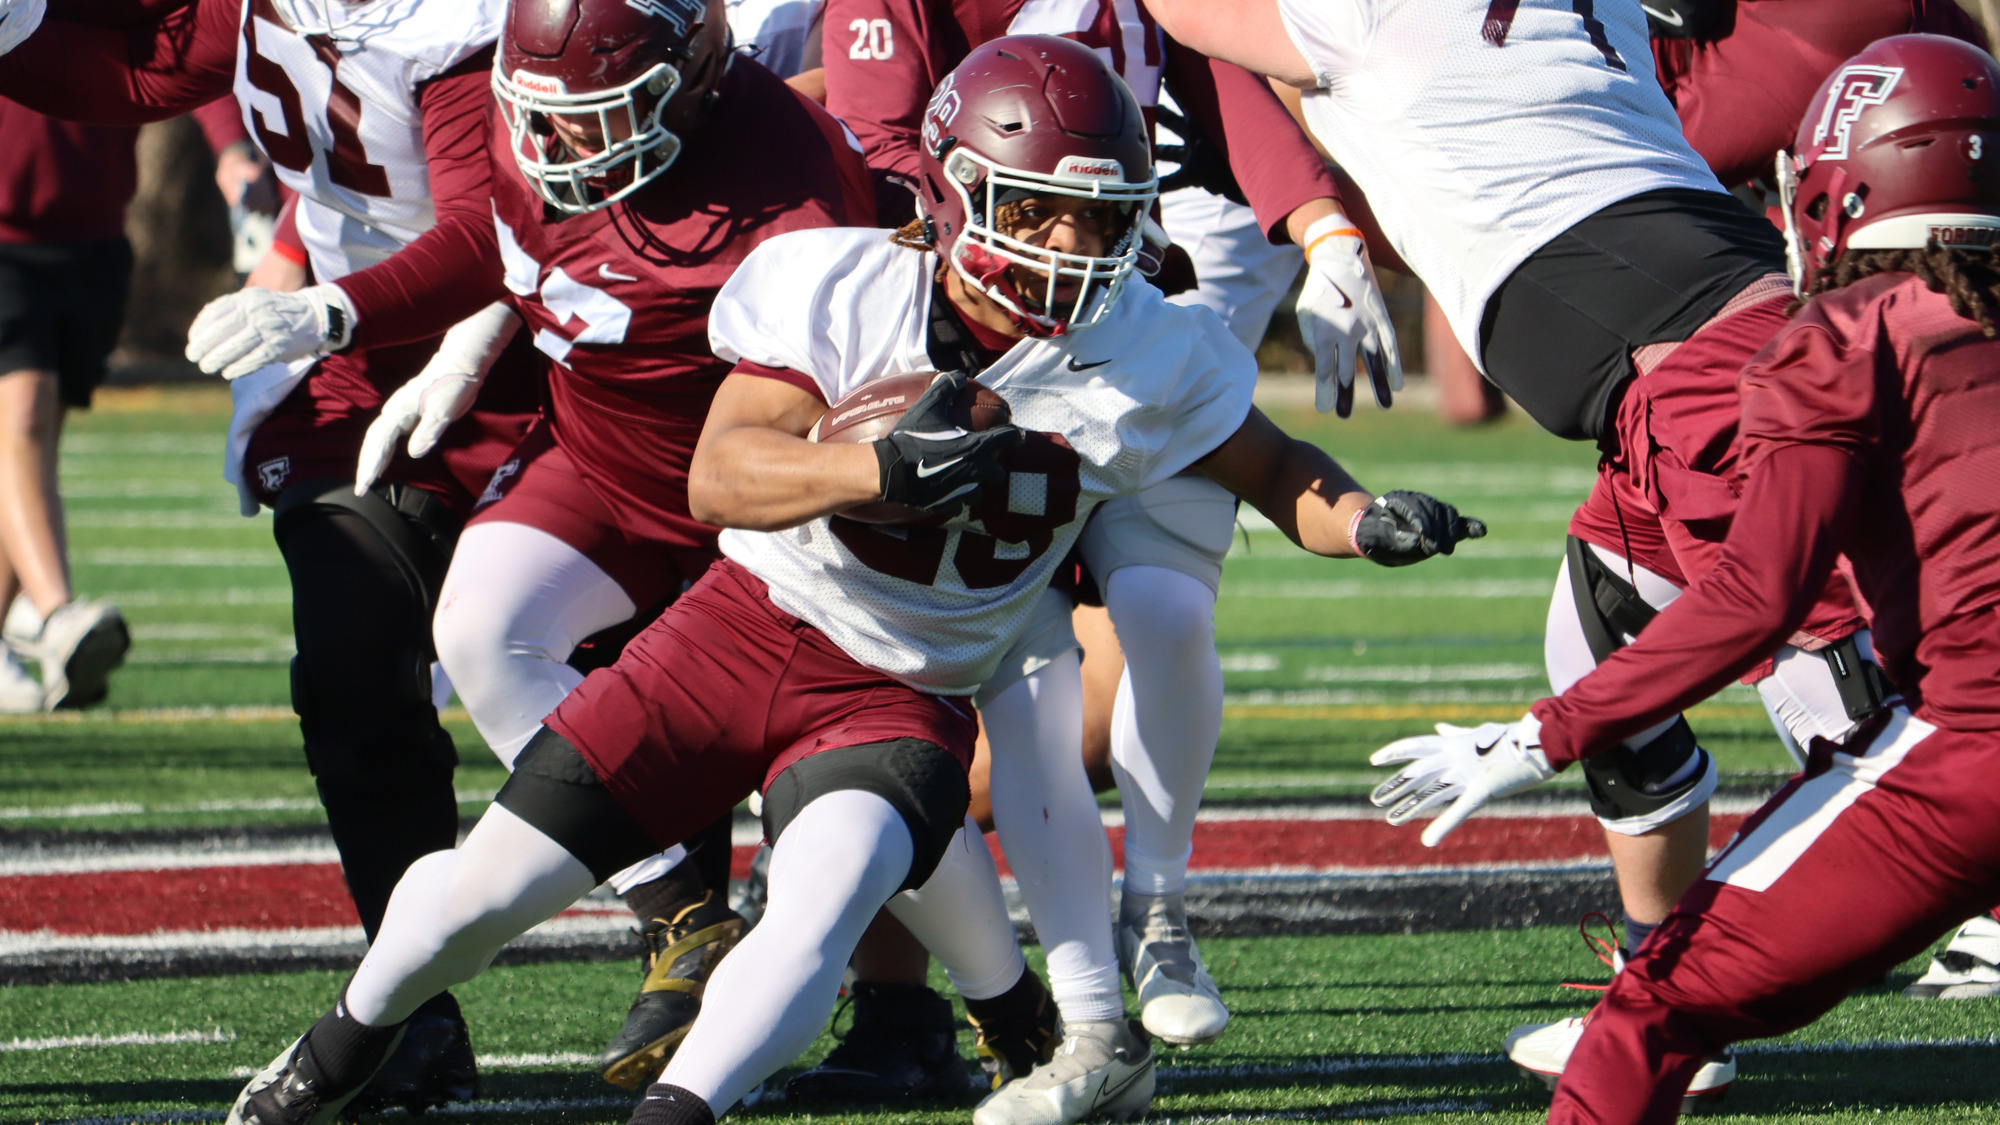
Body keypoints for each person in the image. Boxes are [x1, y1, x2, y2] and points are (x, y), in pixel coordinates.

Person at [217, 36, 1483, 1125]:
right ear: (953, 191)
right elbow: (720, 476)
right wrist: (878, 470)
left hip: (901, 696)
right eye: (1034, 207)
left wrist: (1366, 520)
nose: (1067, 244)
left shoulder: (1153, 348)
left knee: (813, 920)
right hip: (733, 631)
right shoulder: (838, 280)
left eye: (1097, 216)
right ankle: (337, 1046)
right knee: (484, 898)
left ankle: (680, 1110)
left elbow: (1273, 470)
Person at [1366, 35, 2000, 1123]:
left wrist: (1537, 735)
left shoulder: (1845, 336)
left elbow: (1756, 596)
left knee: (1651, 1004)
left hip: (1970, 754)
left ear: (1837, 188)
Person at [820, 2, 1399, 1088]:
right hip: (965, 298)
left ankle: (1157, 915)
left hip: (1127, 283)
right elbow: (870, 135)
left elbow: (1224, 68)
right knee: (935, 693)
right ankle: (927, 994)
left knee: (1156, 618)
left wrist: (1322, 226)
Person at [0, 0, 544, 1108]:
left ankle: (707, 943)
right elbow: (141, 76)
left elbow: (482, 234)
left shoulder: (454, 28)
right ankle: (411, 1014)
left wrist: (328, 307)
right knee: (349, 665)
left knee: (589, 655)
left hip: (515, 344)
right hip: (347, 359)